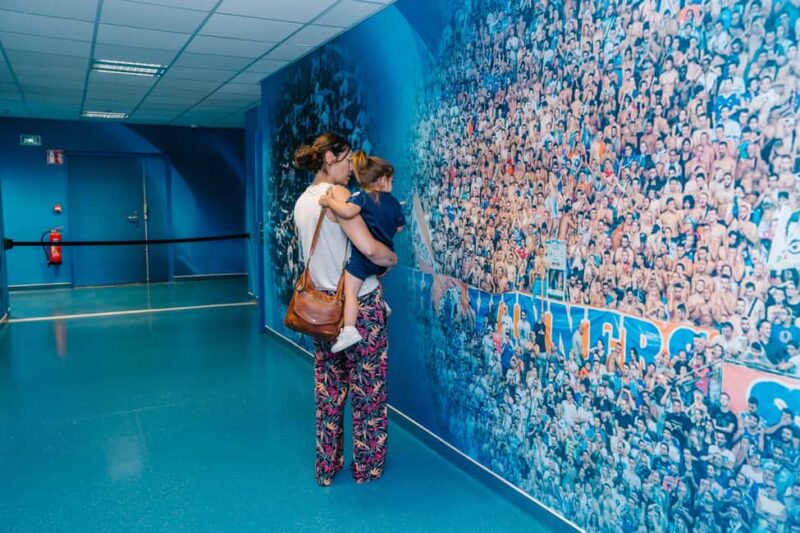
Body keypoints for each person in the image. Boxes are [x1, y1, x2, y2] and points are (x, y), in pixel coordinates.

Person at [292, 132, 397, 486]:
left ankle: (327, 465)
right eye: (347, 159)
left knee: (328, 391)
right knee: (368, 394)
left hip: (322, 312)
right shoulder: (337, 197)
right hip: (361, 310)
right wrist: (392, 258)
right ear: (329, 159)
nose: (352, 168)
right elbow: (371, 249)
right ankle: (366, 468)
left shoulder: (301, 202)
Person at [319, 151, 405, 352]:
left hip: (363, 258)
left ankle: (349, 330)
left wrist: (330, 202)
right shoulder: (393, 203)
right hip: (385, 254)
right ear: (383, 180)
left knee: (351, 292)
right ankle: (382, 303)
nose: (391, 184)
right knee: (373, 275)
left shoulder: (361, 196)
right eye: (391, 180)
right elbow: (400, 227)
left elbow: (347, 211)